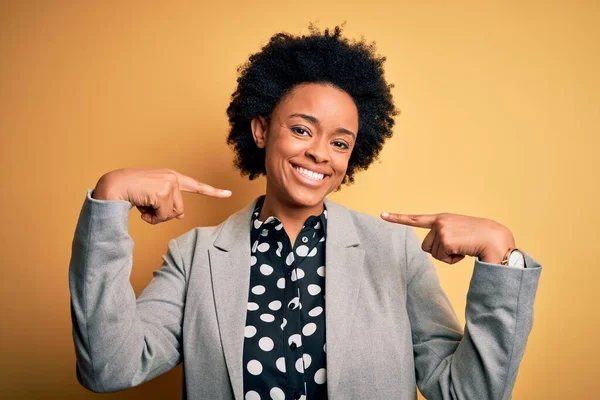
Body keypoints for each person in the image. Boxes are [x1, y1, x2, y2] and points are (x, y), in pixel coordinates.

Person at [69, 25, 542, 400]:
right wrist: (109, 201)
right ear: (260, 130)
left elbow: (467, 393)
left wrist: (500, 257)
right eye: (301, 129)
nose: (320, 153)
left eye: (340, 143)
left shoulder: (396, 254)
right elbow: (110, 368)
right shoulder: (194, 257)